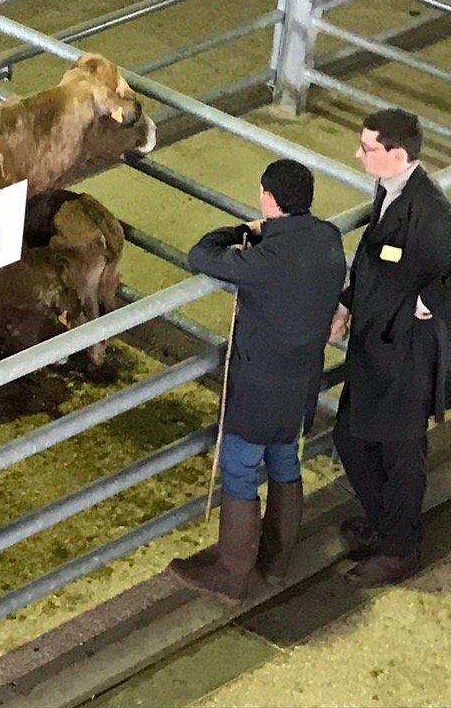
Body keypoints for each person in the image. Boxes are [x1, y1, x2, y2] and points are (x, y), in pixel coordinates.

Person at [333, 108, 451, 585]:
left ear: (398, 154)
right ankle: (388, 527)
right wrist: (348, 302)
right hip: (378, 345)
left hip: (405, 354)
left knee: (401, 455)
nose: (358, 155)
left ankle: (400, 551)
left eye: (367, 148)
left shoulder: (427, 210)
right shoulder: (392, 189)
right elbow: (378, 259)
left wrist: (427, 303)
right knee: (352, 437)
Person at [168, 160, 346, 599]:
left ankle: (232, 573)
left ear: (268, 198)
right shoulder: (328, 237)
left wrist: (242, 230)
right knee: (286, 460)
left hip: (259, 385)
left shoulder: (265, 259)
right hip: (302, 380)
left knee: (240, 467)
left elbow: (200, 254)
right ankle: (276, 561)